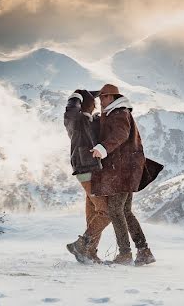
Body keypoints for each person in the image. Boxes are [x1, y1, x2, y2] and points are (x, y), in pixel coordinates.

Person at [90, 83, 156, 266]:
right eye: (100, 98)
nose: (101, 101)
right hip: (127, 169)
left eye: (103, 97)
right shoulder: (116, 113)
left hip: (123, 171)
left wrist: (102, 148)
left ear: (112, 97)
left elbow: (121, 134)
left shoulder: (119, 113)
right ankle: (144, 251)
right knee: (125, 211)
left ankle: (125, 254)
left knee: (115, 210)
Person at [63, 88, 111, 264]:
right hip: (86, 170)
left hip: (92, 170)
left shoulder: (90, 120)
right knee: (107, 213)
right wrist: (77, 93)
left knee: (94, 213)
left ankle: (89, 252)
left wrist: (97, 94)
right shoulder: (75, 118)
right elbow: (71, 107)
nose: (96, 105)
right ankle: (81, 245)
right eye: (93, 103)